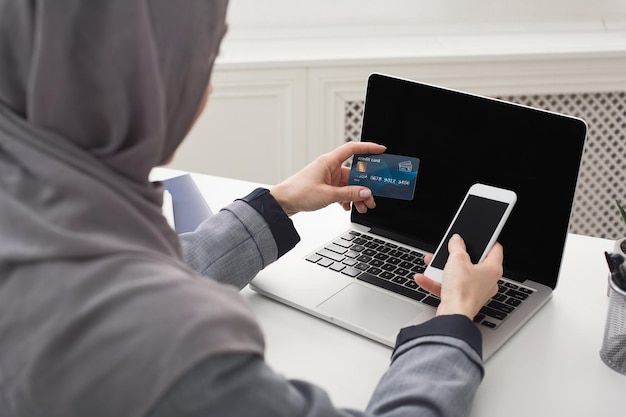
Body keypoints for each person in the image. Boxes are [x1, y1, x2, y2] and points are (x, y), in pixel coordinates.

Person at [0, 1, 503, 416]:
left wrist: (277, 204)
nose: (206, 87)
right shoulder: (173, 351)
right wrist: (453, 320)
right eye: (202, 57)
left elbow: (116, 278)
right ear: (140, 79)